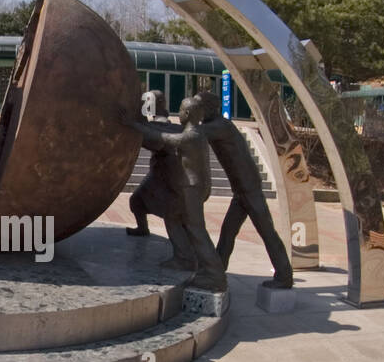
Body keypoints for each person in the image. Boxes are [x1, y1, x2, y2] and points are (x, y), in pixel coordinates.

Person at [118, 96, 226, 292]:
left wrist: (132, 124)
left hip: (192, 188)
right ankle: (186, 259)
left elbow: (163, 138)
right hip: (195, 186)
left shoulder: (190, 136)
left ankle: (214, 274)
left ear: (186, 114)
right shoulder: (197, 132)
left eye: (182, 111)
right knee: (175, 217)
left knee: (196, 230)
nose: (180, 113)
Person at [196, 96, 294, 289]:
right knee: (228, 232)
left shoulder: (219, 126)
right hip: (242, 189)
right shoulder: (218, 124)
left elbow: (190, 134)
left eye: (198, 108)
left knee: (267, 233)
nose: (196, 112)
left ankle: (284, 276)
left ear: (208, 108)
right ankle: (216, 269)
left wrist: (148, 127)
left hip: (249, 189)